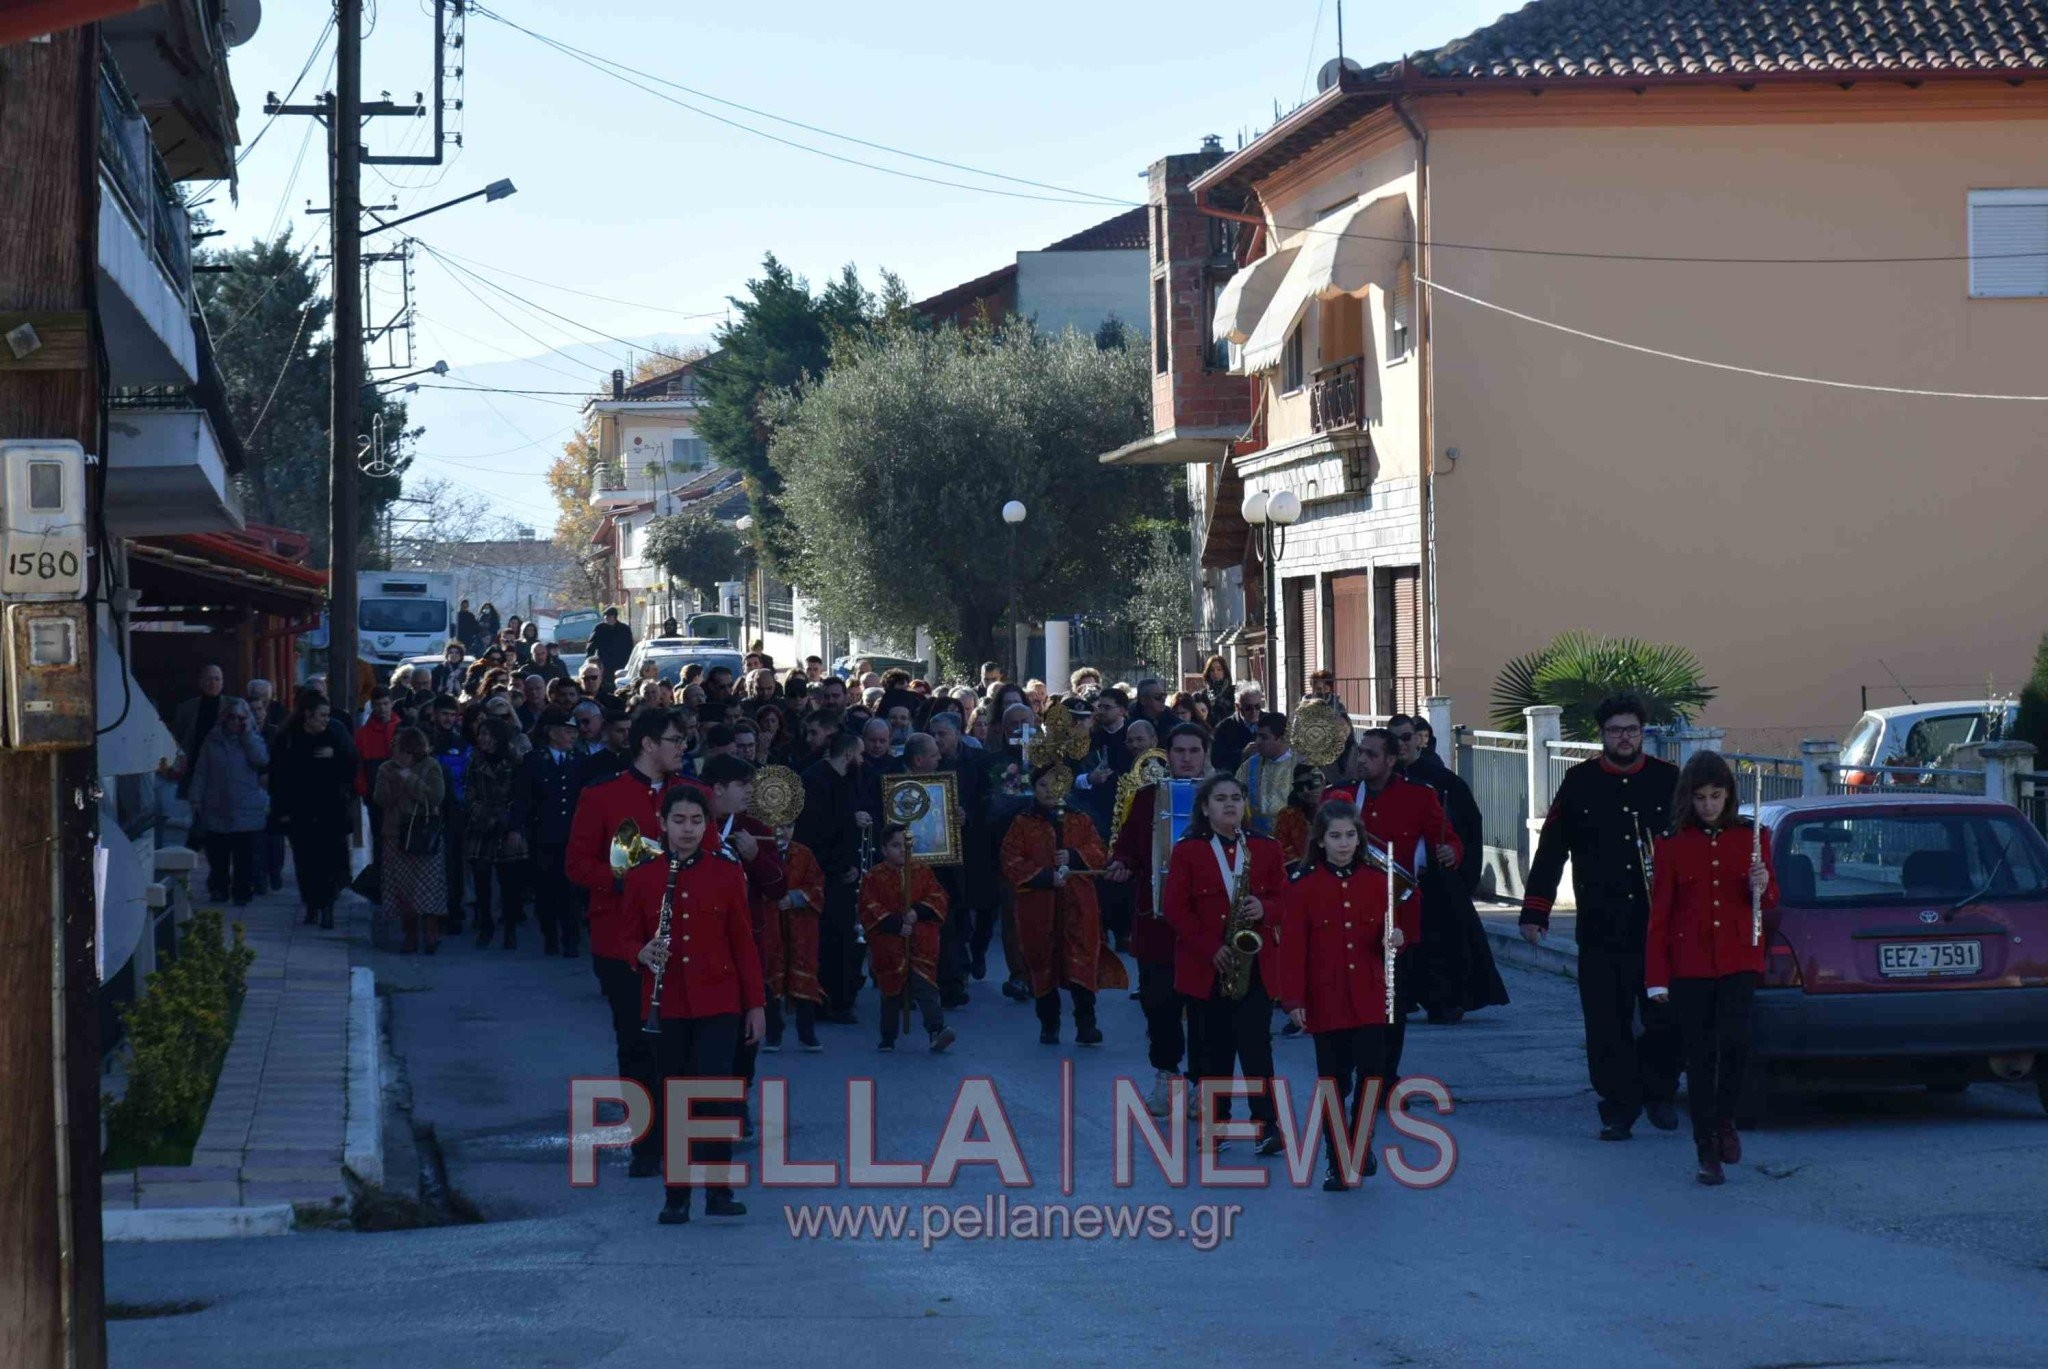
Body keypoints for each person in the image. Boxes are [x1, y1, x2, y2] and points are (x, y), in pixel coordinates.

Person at [1521, 693, 1683, 1142]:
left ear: (1643, 733)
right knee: (1605, 1022)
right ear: (1602, 735)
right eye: (1616, 731)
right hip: (1601, 924)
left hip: (1659, 928)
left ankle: (1660, 1093)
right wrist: (1536, 910)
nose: (1625, 738)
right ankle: (1618, 1107)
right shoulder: (1580, 782)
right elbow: (1552, 848)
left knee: (1664, 1016)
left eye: (1632, 730)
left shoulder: (1670, 781)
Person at [626, 784, 763, 1224]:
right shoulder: (643, 875)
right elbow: (621, 936)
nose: (688, 829)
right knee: (674, 1095)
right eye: (679, 820)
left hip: (719, 1001)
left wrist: (756, 1005)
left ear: (706, 825)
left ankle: (719, 1190)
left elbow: (743, 943)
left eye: (697, 821)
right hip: (667, 1005)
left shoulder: (724, 874)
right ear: (662, 824)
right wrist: (639, 952)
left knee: (717, 1094)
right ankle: (677, 1194)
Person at [568, 708, 694, 1177]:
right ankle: (645, 1144)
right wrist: (627, 879)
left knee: (683, 1041)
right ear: (646, 744)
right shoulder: (602, 796)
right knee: (636, 1040)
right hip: (621, 939)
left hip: (685, 937)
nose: (683, 747)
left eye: (685, 740)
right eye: (674, 739)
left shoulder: (693, 794)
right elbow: (578, 866)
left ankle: (683, 1136)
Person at [1646, 751, 1777, 1187]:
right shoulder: (1671, 844)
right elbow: (1660, 915)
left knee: (1737, 1044)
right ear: (1689, 797)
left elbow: (1770, 901)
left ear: (1728, 795)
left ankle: (1725, 1122)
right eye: (1700, 797)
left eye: (1716, 796)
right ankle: (1706, 1149)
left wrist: (1763, 885)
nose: (1708, 805)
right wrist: (1655, 979)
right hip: (1691, 965)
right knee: (1701, 1058)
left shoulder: (1753, 836)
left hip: (1739, 958)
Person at [1276, 803, 1416, 1191]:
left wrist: (1397, 940)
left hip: (1371, 996)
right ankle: (1337, 1162)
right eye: (1335, 837)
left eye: (1350, 835)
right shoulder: (1303, 886)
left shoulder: (1377, 881)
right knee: (1334, 1082)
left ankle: (1359, 1142)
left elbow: (1392, 933)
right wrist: (1293, 1000)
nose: (1344, 843)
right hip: (1326, 997)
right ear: (1320, 842)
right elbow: (1292, 950)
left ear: (1360, 837)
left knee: (1372, 1075)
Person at [1321, 728, 1461, 1087]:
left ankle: (1383, 1078)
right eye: (1359, 753)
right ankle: (1347, 1067)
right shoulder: (1342, 797)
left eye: (1370, 754)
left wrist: (1449, 852)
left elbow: (1447, 838)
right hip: (1345, 914)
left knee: (1392, 1002)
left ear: (1391, 759)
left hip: (1397, 915)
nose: (1362, 760)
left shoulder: (1418, 796)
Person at [1162, 772, 1289, 1153]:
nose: (1230, 804)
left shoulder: (1265, 848)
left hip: (1256, 965)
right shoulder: (1188, 850)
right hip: (1206, 966)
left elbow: (1289, 901)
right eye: (1220, 799)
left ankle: (1267, 1125)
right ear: (1205, 807)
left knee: (1256, 1047)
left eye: (1236, 797)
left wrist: (1264, 907)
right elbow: (1175, 908)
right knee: (1211, 1050)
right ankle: (1215, 1125)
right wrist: (1208, 947)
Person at [1107, 722, 1212, 1117]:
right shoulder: (1149, 797)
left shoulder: (1222, 796)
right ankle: (1166, 1079)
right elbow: (1128, 847)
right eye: (1179, 750)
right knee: (1159, 1005)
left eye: (1194, 750)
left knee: (1204, 1006)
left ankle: (1203, 1085)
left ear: (1205, 754)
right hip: (1157, 922)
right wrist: (1121, 864)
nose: (1186, 758)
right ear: (1167, 755)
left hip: (1207, 926)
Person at [1399, 718, 1510, 1023]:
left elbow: (1469, 826)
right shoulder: (1379, 782)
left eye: (1407, 737)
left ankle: (1446, 1000)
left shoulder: (1442, 780)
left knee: (1444, 942)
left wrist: (1457, 859)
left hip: (1437, 878)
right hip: (1394, 880)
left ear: (1420, 740)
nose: (1402, 744)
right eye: (1394, 739)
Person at [1001, 765, 1122, 1045]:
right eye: (1043, 785)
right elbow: (1010, 860)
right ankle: (1049, 1022)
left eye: (1055, 785)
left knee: (1081, 957)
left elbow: (1098, 850)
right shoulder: (1022, 823)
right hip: (1037, 902)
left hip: (1078, 900)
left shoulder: (1080, 819)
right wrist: (1044, 877)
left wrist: (1073, 856)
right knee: (1042, 960)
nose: (1049, 791)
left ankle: (1086, 1022)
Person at [700, 754, 786, 1136]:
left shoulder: (753, 828)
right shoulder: (688, 822)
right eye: (743, 788)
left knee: (745, 1028)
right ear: (717, 789)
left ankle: (739, 1097)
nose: (750, 794)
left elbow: (779, 887)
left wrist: (755, 857)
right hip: (699, 944)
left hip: (747, 944)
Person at [859, 824, 956, 1053]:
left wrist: (917, 912)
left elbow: (938, 896)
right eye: (895, 846)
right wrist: (895, 925)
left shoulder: (921, 871)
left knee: (925, 986)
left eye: (906, 845)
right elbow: (869, 906)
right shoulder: (874, 877)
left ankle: (936, 1029)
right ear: (883, 850)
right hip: (890, 944)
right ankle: (888, 1036)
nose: (902, 850)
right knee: (891, 990)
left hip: (919, 941)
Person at [268, 691, 356, 929]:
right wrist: (281, 811)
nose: (326, 720)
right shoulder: (289, 738)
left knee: (329, 861)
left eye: (328, 715)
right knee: (306, 861)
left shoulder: (335, 735)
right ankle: (311, 905)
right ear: (308, 715)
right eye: (321, 715)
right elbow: (278, 777)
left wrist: (334, 756)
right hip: (301, 812)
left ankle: (327, 907)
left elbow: (351, 767)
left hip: (331, 811)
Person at [797, 732, 868, 1023]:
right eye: (860, 755)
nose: (863, 760)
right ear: (849, 754)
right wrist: (850, 822)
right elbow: (813, 829)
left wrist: (851, 863)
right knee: (826, 939)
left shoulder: (846, 780)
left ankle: (841, 998)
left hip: (843, 873)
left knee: (845, 938)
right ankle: (824, 1001)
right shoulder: (814, 780)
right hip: (821, 874)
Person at [188, 697, 269, 906]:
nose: (235, 722)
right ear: (224, 718)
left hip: (245, 806)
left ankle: (242, 892)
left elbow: (262, 759)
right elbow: (201, 771)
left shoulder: (253, 739)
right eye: (231, 717)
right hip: (216, 805)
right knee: (217, 856)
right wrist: (196, 798)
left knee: (244, 857)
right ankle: (219, 889)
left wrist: (247, 735)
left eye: (240, 718)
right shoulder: (212, 740)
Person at [375, 728, 447, 954]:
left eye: (400, 747)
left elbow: (435, 796)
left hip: (423, 835)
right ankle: (410, 935)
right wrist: (397, 780)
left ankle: (432, 933)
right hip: (396, 836)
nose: (394, 750)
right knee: (403, 890)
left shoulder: (430, 766)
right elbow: (380, 798)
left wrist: (411, 779)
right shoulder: (386, 769)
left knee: (427, 887)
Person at [463, 717, 530, 950]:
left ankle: (509, 927)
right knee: (481, 879)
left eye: (488, 735)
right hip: (481, 825)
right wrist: (480, 814)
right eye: (481, 734)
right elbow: (469, 790)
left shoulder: (514, 761)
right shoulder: (475, 760)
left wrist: (512, 826)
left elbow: (521, 796)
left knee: (509, 881)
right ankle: (485, 925)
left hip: (507, 825)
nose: (483, 739)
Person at [523, 709, 585, 957]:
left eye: (573, 732)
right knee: (546, 889)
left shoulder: (578, 761)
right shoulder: (535, 760)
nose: (572, 736)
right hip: (543, 835)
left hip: (571, 836)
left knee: (571, 891)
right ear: (553, 733)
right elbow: (524, 797)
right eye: (567, 731)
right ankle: (550, 935)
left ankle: (571, 938)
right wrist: (518, 829)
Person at [768, 818, 827, 1052]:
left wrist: (793, 898)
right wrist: (773, 898)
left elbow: (817, 885)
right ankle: (774, 1034)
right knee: (771, 974)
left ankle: (807, 1033)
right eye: (776, 826)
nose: (781, 831)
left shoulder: (804, 854)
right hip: (770, 920)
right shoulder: (759, 852)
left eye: (787, 826)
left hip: (801, 924)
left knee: (804, 974)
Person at [354, 687, 401, 864]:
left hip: (401, 795)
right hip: (376, 796)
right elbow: (359, 767)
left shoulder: (401, 728)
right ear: (372, 706)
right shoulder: (363, 735)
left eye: (385, 704)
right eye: (378, 704)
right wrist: (364, 791)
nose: (382, 708)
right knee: (380, 840)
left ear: (391, 704)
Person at [172, 662, 228, 801]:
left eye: (217, 679)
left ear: (222, 682)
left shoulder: (234, 706)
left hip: (224, 768)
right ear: (201, 682)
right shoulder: (186, 708)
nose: (213, 683)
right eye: (209, 679)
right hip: (194, 767)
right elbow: (177, 737)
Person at [1234, 710, 1293, 837]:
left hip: (1291, 843)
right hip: (1255, 839)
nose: (1257, 741)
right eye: (1257, 736)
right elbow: (1235, 797)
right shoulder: (1249, 765)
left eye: (1264, 737)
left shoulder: (1301, 766)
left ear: (1283, 738)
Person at [1211, 682, 1264, 776]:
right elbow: (1217, 762)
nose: (1254, 711)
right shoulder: (1224, 728)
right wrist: (1242, 754)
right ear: (1238, 706)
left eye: (1257, 707)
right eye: (1248, 708)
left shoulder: (1270, 722)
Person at [587, 605, 635, 686]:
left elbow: (629, 646)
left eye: (609, 616)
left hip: (621, 662)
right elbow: (591, 643)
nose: (606, 617)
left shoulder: (624, 629)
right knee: (605, 683)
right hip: (604, 661)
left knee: (619, 682)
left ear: (614, 617)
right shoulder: (600, 628)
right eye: (605, 616)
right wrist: (589, 657)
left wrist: (630, 660)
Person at [1201, 654, 1234, 721]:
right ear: (1208, 673)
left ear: (1224, 671)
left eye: (1219, 669)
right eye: (1212, 670)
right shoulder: (1203, 695)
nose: (1215, 672)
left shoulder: (1234, 692)